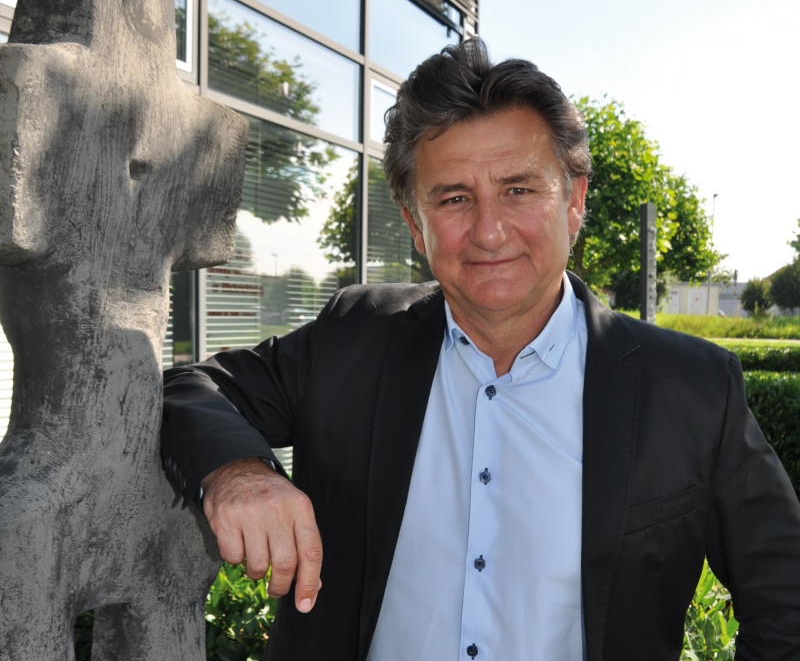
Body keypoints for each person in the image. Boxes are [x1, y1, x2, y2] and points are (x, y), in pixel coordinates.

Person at [161, 38, 800, 661]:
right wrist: (238, 472)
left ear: (573, 200)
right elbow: (193, 386)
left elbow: (785, 600)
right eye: (454, 198)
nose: (489, 231)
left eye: (519, 190)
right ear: (415, 222)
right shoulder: (352, 337)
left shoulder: (689, 388)